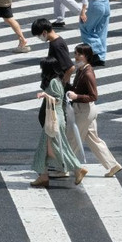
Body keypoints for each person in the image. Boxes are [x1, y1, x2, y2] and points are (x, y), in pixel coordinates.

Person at [30, 57, 88, 187]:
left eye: (43, 68)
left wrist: (45, 95)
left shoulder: (53, 82)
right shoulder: (56, 80)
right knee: (44, 148)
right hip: (55, 117)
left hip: (54, 118)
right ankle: (43, 176)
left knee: (54, 148)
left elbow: (57, 99)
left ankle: (77, 168)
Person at [68, 44, 122, 178]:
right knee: (93, 140)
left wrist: (76, 97)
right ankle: (113, 165)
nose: (75, 56)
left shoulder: (87, 73)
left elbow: (94, 96)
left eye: (78, 54)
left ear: (86, 56)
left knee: (73, 139)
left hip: (84, 111)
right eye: (75, 53)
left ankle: (66, 166)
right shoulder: (81, 69)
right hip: (85, 110)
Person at [79, 0, 110, 66]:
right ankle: (101, 58)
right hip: (106, 3)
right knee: (102, 30)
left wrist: (83, 11)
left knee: (85, 27)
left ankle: (98, 50)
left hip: (96, 4)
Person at [31, 19, 75, 88]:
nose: (39, 38)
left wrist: (63, 84)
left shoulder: (57, 45)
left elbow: (70, 68)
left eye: (39, 36)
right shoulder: (56, 41)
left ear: (44, 32)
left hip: (59, 83)